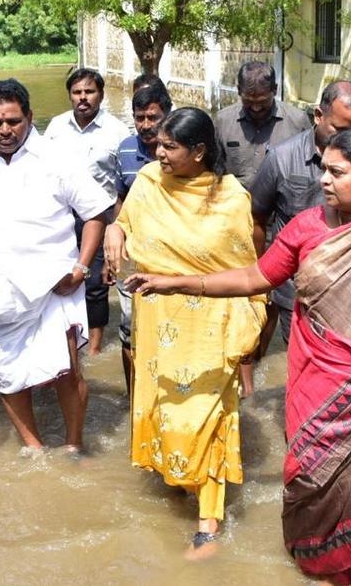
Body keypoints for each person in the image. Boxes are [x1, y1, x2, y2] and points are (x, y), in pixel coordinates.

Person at [126, 128, 351, 582]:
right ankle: (313, 563)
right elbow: (253, 278)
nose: (324, 180)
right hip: (315, 386)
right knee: (308, 475)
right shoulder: (306, 227)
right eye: (322, 168)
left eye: (337, 172)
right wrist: (176, 281)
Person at [104, 107, 266, 558]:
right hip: (159, 320)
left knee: (205, 417)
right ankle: (178, 481)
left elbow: (245, 266)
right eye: (157, 144)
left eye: (169, 146)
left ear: (199, 152)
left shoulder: (230, 198)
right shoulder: (149, 183)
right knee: (166, 410)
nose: (158, 152)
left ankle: (209, 522)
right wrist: (115, 232)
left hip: (210, 322)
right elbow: (125, 221)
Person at [0, 79, 112, 452]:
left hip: (54, 285)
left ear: (29, 117)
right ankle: (33, 448)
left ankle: (73, 446)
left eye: (12, 121)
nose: (4, 130)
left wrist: (81, 268)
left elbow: (95, 213)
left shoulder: (58, 157)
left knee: (67, 372)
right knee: (9, 373)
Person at [245, 80, 351, 396]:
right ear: (318, 116)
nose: (350, 138)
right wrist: (262, 280)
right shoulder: (282, 159)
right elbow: (257, 218)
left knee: (348, 375)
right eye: (340, 128)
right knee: (305, 373)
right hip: (296, 293)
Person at [43, 68, 127, 356]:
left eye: (89, 92)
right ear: (70, 95)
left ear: (101, 95)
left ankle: (93, 348)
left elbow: (122, 185)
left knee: (95, 283)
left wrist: (117, 229)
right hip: (61, 217)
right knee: (58, 277)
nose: (83, 98)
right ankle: (63, 343)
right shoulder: (55, 128)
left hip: (100, 218)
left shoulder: (117, 131)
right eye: (77, 92)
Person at [111, 84, 172, 390]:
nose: (146, 125)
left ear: (167, 114)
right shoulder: (123, 149)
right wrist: (116, 241)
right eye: (139, 118)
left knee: (169, 326)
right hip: (134, 255)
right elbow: (119, 200)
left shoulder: (181, 150)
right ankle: (134, 393)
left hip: (173, 256)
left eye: (153, 117)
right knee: (129, 327)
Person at [214, 60, 310, 186]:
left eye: (263, 101)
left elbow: (309, 171)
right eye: (248, 101)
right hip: (234, 202)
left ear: (275, 90)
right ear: (238, 90)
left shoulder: (298, 121)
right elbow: (213, 167)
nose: (256, 108)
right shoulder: (222, 121)